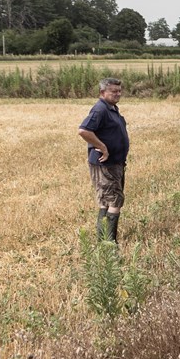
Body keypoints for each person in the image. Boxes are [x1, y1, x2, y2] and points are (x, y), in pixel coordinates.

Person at [78, 77, 130, 243]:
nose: (117, 94)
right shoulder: (100, 109)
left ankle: (104, 241)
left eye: (119, 91)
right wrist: (103, 147)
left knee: (106, 201)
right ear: (102, 92)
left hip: (115, 163)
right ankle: (108, 242)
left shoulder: (111, 108)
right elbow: (84, 131)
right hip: (106, 164)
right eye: (113, 91)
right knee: (114, 200)